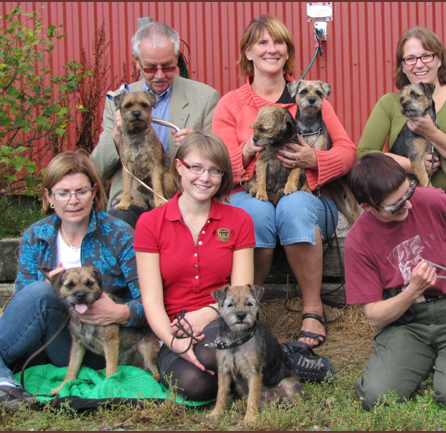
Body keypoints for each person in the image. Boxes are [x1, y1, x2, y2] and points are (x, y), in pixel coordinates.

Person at [211, 15, 357, 348]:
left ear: (287, 51)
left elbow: (348, 152)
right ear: (248, 52)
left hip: (308, 195)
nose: (271, 49)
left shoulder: (309, 95)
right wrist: (247, 150)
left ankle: (312, 308)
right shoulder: (231, 105)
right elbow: (216, 167)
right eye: (262, 43)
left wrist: (315, 160)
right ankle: (246, 311)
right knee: (254, 214)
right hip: (251, 192)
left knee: (293, 208)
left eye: (279, 43)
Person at [344, 153, 446, 410]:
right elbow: (375, 316)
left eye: (408, 193)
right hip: (407, 320)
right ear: (367, 207)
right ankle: (434, 358)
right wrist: (412, 291)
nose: (408, 206)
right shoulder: (357, 240)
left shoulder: (431, 199)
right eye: (396, 206)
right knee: (376, 397)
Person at [0, 150, 142, 410]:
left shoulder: (118, 233)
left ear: (95, 192)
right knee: (40, 292)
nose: (73, 201)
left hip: (104, 346)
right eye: (63, 193)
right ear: (49, 197)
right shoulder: (36, 237)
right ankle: (1, 380)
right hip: (57, 340)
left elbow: (149, 300)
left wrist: (120, 312)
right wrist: (55, 293)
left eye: (81, 191)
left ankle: (1, 381)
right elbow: (22, 305)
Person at [134, 131, 255, 401]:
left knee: (212, 351)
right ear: (179, 167)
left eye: (215, 170)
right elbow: (151, 299)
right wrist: (176, 343)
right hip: (175, 329)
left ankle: (253, 366)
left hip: (226, 323)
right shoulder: (150, 223)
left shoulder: (239, 220)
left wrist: (208, 312)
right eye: (196, 167)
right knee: (194, 385)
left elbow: (241, 293)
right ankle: (248, 372)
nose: (205, 178)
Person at [91, 21, 221, 227]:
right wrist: (116, 136)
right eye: (151, 67)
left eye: (168, 66)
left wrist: (198, 145)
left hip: (182, 194)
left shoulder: (205, 98)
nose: (160, 75)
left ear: (177, 58)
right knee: (118, 224)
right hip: (132, 196)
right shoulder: (117, 100)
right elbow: (97, 170)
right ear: (136, 61)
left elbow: (221, 160)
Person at [357, 26, 446, 223]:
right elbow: (365, 153)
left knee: (428, 212)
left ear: (439, 59)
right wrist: (412, 165)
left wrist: (431, 132)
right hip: (405, 196)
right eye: (410, 58)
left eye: (426, 56)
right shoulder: (389, 102)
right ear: (402, 65)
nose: (418, 64)